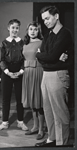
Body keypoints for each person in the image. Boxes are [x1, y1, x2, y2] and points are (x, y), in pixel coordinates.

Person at [35, 6, 74, 147]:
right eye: (43, 19)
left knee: (60, 113)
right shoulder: (48, 35)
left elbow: (49, 56)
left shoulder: (65, 34)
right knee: (48, 110)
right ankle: (51, 139)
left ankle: (61, 144)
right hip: (45, 75)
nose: (45, 22)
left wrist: (43, 55)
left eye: (47, 18)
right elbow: (44, 56)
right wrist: (43, 56)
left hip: (58, 75)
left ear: (56, 16)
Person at [0, 19, 28, 132]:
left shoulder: (22, 43)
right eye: (13, 27)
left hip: (19, 71)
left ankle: (20, 122)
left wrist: (21, 71)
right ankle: (4, 122)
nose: (15, 30)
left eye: (17, 28)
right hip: (7, 71)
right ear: (8, 28)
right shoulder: (3, 43)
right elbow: (1, 60)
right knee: (6, 98)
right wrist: (8, 72)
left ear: (19, 29)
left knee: (20, 98)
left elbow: (25, 59)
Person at [22, 21, 44, 140]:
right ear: (27, 31)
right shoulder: (25, 43)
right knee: (32, 102)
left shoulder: (42, 43)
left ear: (38, 31)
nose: (33, 31)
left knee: (38, 102)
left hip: (38, 72)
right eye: (31, 29)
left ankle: (41, 129)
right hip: (27, 73)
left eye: (35, 29)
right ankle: (35, 127)